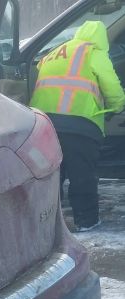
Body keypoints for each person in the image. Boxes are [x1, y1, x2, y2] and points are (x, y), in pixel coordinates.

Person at [30, 20, 125, 231]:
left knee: (53, 175)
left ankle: (48, 223)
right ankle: (87, 221)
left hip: (43, 126)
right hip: (79, 124)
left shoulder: (56, 51)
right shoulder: (94, 53)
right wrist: (118, 107)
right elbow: (113, 89)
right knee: (82, 175)